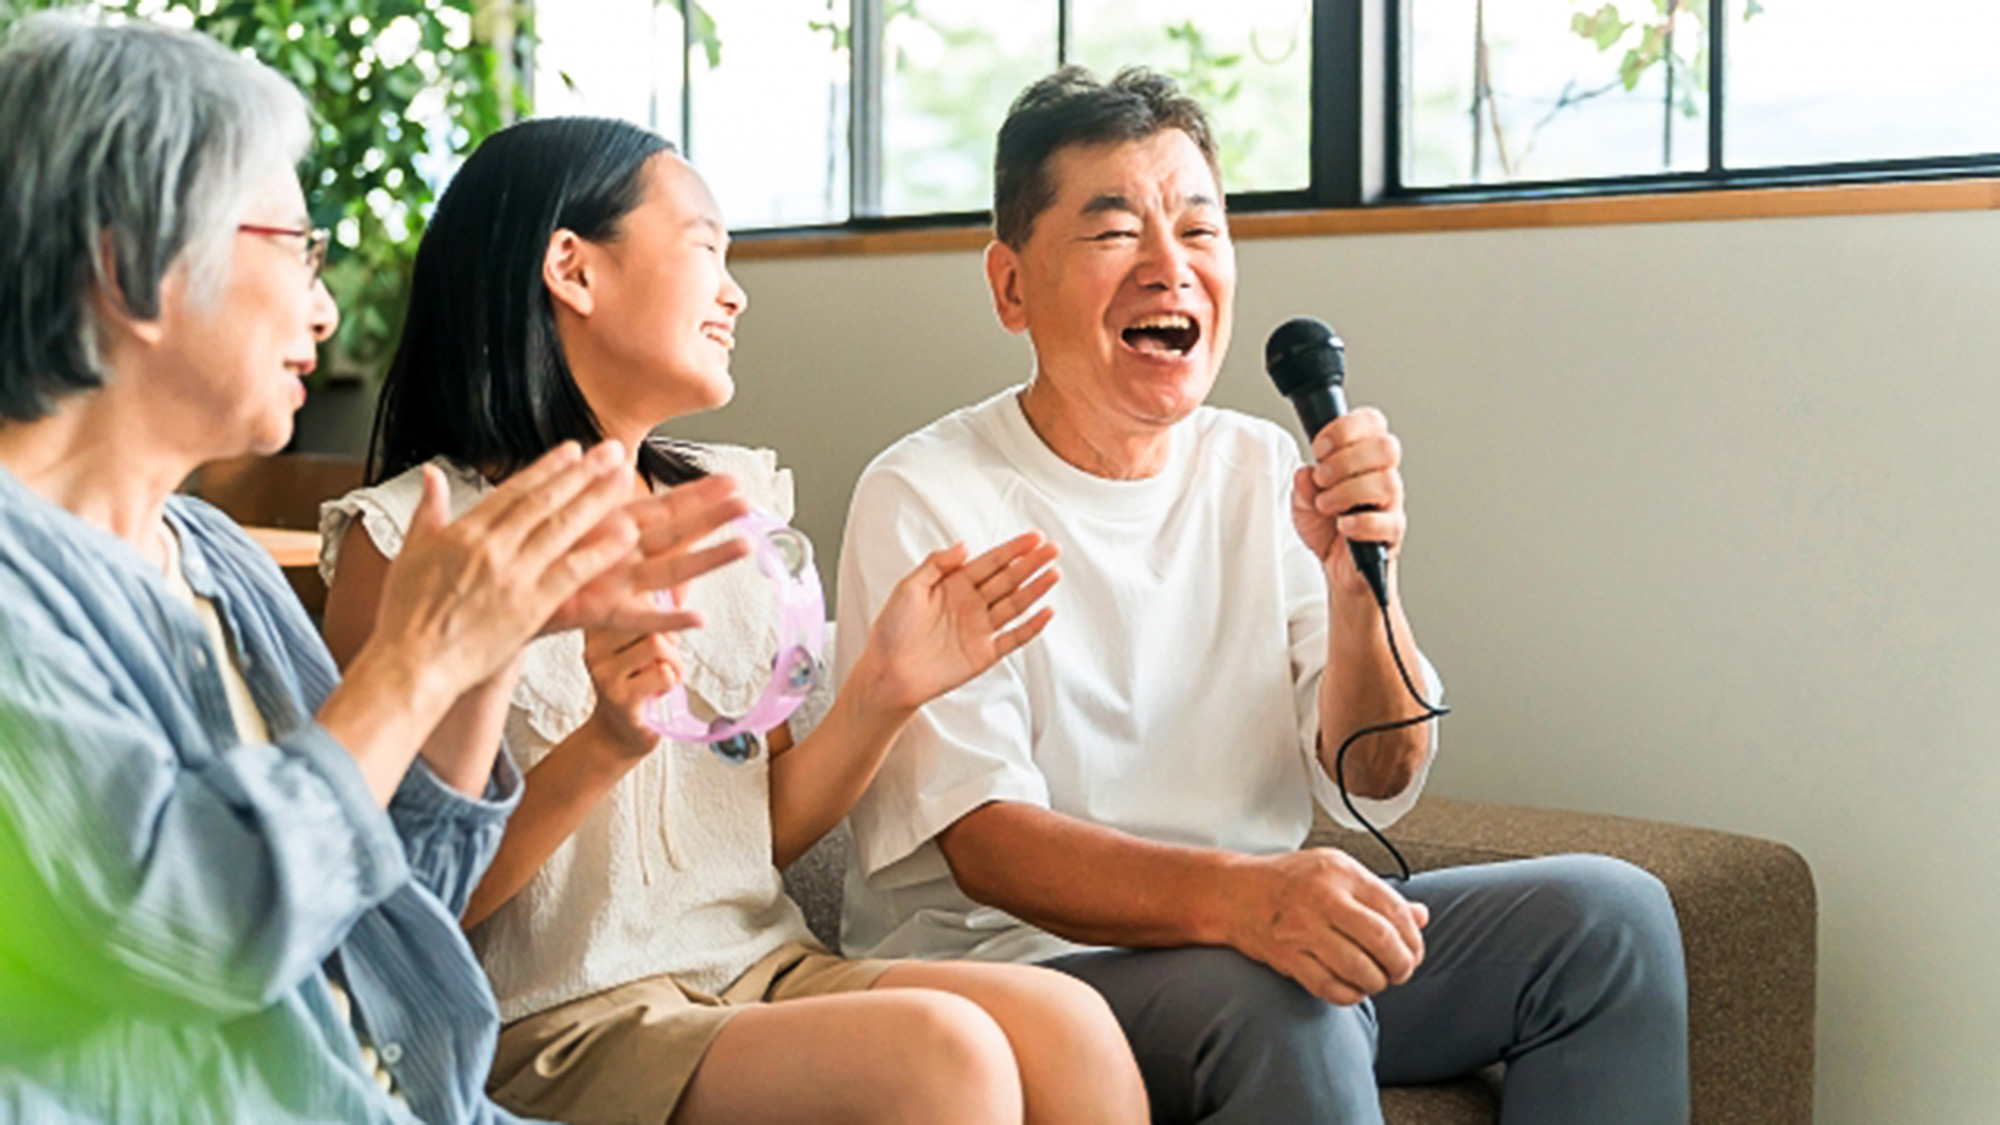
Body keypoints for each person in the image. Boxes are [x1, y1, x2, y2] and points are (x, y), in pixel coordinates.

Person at [837, 65, 1692, 1124]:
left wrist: (1355, 589)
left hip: (1251, 943)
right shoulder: (927, 492)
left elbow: (1377, 777)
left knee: (1606, 919)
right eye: (1113, 234)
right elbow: (986, 844)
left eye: (1199, 231)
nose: (1169, 268)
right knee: (1282, 988)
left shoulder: (1257, 466)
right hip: (1028, 976)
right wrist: (1243, 900)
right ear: (1009, 286)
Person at [320, 116, 1148, 1125]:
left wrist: (883, 692)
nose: (734, 290)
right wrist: (604, 745)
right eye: (705, 246)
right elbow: (399, 904)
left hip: (758, 971)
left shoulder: (730, 509)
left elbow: (753, 838)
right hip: (554, 1023)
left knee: (1070, 1027)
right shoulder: (410, 540)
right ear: (571, 270)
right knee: (943, 1055)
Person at [0, 15, 748, 1124]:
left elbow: (388, 906)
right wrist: (418, 658)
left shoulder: (211, 556)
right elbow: (199, 927)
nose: (325, 305)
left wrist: (489, 650)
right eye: (294, 249)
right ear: (130, 264)